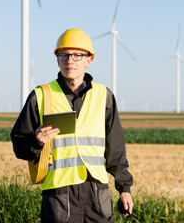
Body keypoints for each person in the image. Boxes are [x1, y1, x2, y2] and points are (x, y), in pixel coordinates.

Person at [11, 28, 134, 222]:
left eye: (77, 55)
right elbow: (19, 145)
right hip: (59, 196)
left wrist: (124, 189)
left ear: (89, 59)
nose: (70, 61)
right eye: (64, 55)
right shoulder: (40, 96)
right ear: (57, 59)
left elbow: (115, 148)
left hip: (97, 195)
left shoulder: (105, 97)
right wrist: (35, 141)